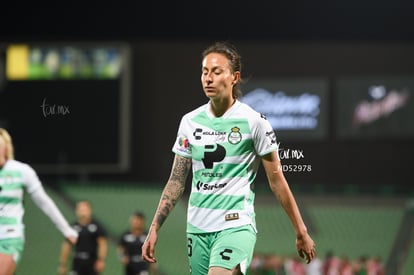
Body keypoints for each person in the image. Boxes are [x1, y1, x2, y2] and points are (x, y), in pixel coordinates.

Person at [141, 41, 316, 275]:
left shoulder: (255, 122)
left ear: (234, 77)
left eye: (216, 71)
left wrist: (301, 231)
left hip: (236, 224)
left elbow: (277, 181)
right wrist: (154, 227)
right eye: (204, 72)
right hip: (197, 227)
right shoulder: (189, 122)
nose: (208, 78)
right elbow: (176, 180)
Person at [0, 127, 78, 275]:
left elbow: (45, 202)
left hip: (8, 236)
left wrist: (66, 230)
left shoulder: (21, 171)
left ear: (6, 148)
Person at [58, 200, 108, 275]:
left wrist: (101, 260)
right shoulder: (73, 227)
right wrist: (62, 264)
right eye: (81, 210)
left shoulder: (96, 227)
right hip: (77, 261)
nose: (83, 212)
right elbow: (67, 246)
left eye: (85, 209)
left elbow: (102, 244)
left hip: (92, 261)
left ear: (90, 210)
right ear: (77, 211)